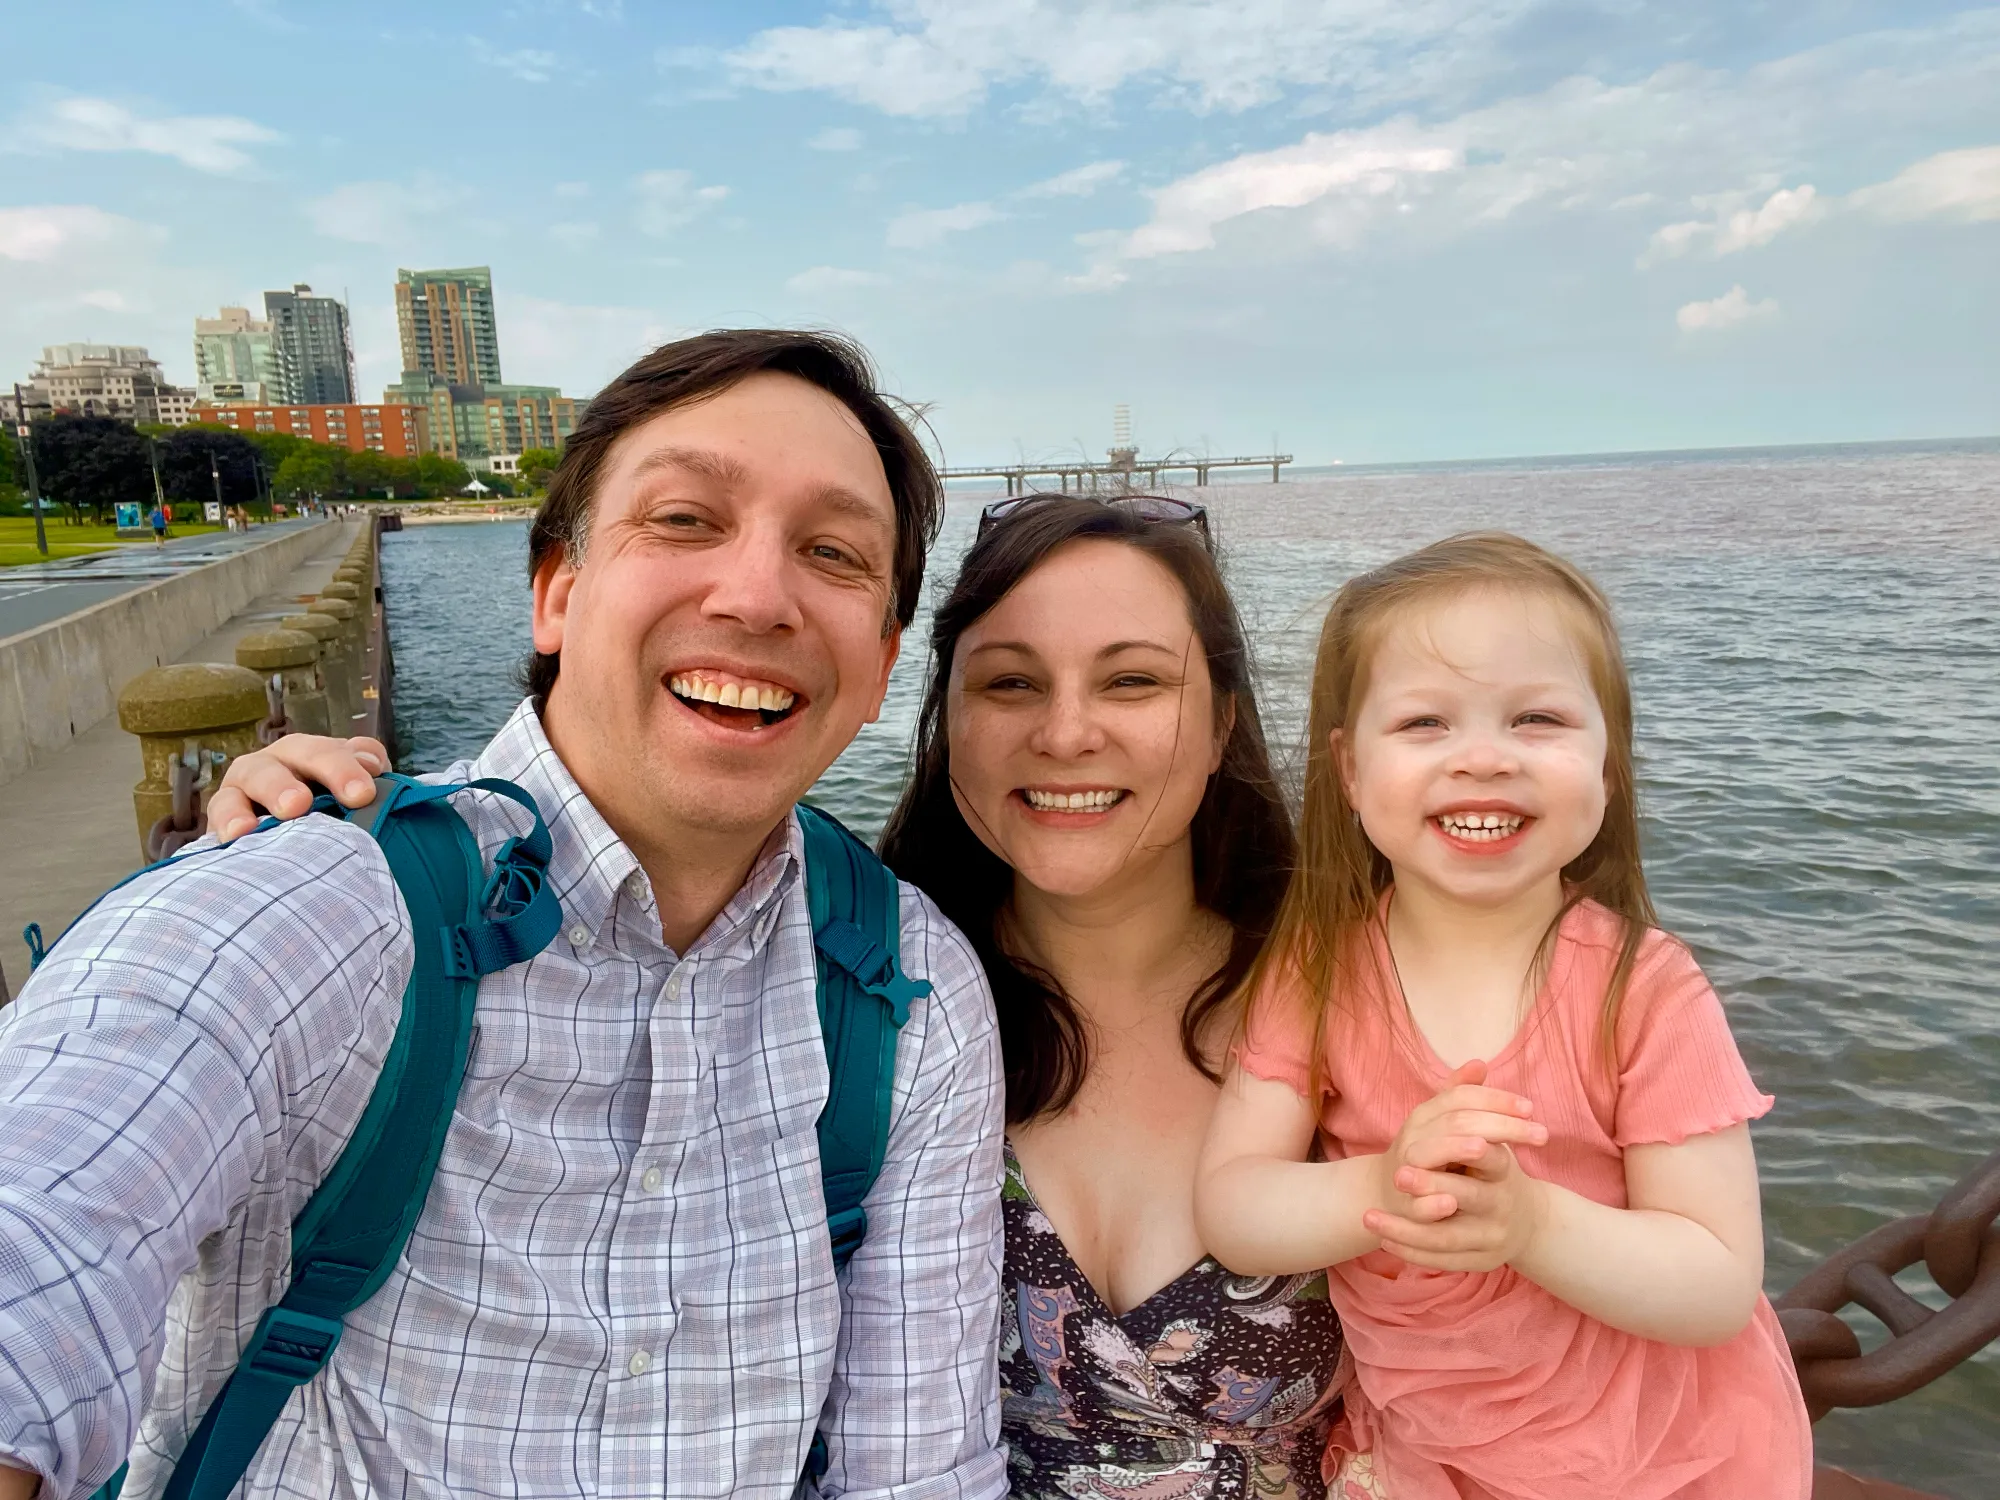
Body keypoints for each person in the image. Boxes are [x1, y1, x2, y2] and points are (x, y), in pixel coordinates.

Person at [0, 330, 1007, 1500]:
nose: (755, 594)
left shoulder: (905, 990)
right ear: (556, 594)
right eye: (682, 520)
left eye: (832, 552)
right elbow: (44, 1231)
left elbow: (915, 1470)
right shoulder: (309, 910)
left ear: (881, 666)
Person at [207, 494, 1365, 1499]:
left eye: (1132, 681)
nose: (1065, 732)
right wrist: (359, 833)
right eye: (1008, 682)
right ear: (939, 718)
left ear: (1219, 722)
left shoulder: (1359, 1002)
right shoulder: (845, 1003)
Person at [1194, 533, 1811, 1499]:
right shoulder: (1314, 974)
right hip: (1433, 1450)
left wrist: (1531, 1224)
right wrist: (1387, 1184)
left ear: (1608, 763)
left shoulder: (1645, 989)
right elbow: (1236, 1207)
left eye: (1537, 719)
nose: (1483, 758)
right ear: (1350, 773)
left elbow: (1715, 1283)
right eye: (1426, 724)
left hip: (1656, 1456)